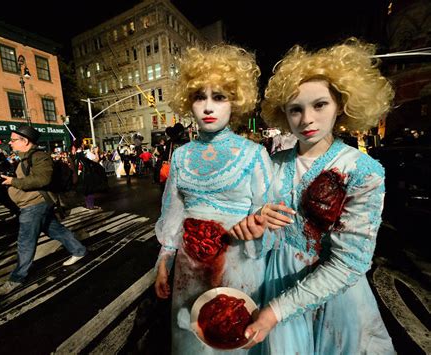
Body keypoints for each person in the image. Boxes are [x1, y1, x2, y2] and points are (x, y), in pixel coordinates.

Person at [230, 38, 395, 354]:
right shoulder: (270, 164)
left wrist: (276, 311)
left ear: (341, 104)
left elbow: (350, 263)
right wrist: (250, 227)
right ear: (283, 114)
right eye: (296, 109)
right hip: (272, 282)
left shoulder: (362, 169)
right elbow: (251, 242)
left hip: (334, 300)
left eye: (320, 104)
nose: (307, 119)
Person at [154, 44, 273, 354]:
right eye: (199, 97)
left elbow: (268, 218)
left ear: (235, 100)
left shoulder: (255, 155)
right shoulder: (180, 156)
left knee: (233, 341)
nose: (208, 107)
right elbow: (173, 213)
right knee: (191, 339)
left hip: (239, 265)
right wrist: (164, 261)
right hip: (189, 267)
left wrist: (258, 229)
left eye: (219, 97)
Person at [0, 125, 87, 296]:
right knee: (56, 230)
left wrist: (13, 182)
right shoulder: (25, 158)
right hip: (33, 205)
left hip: (34, 205)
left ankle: (17, 278)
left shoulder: (39, 157)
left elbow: (42, 179)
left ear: (25, 141)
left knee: (25, 242)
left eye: (13, 140)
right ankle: (79, 250)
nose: (10, 142)